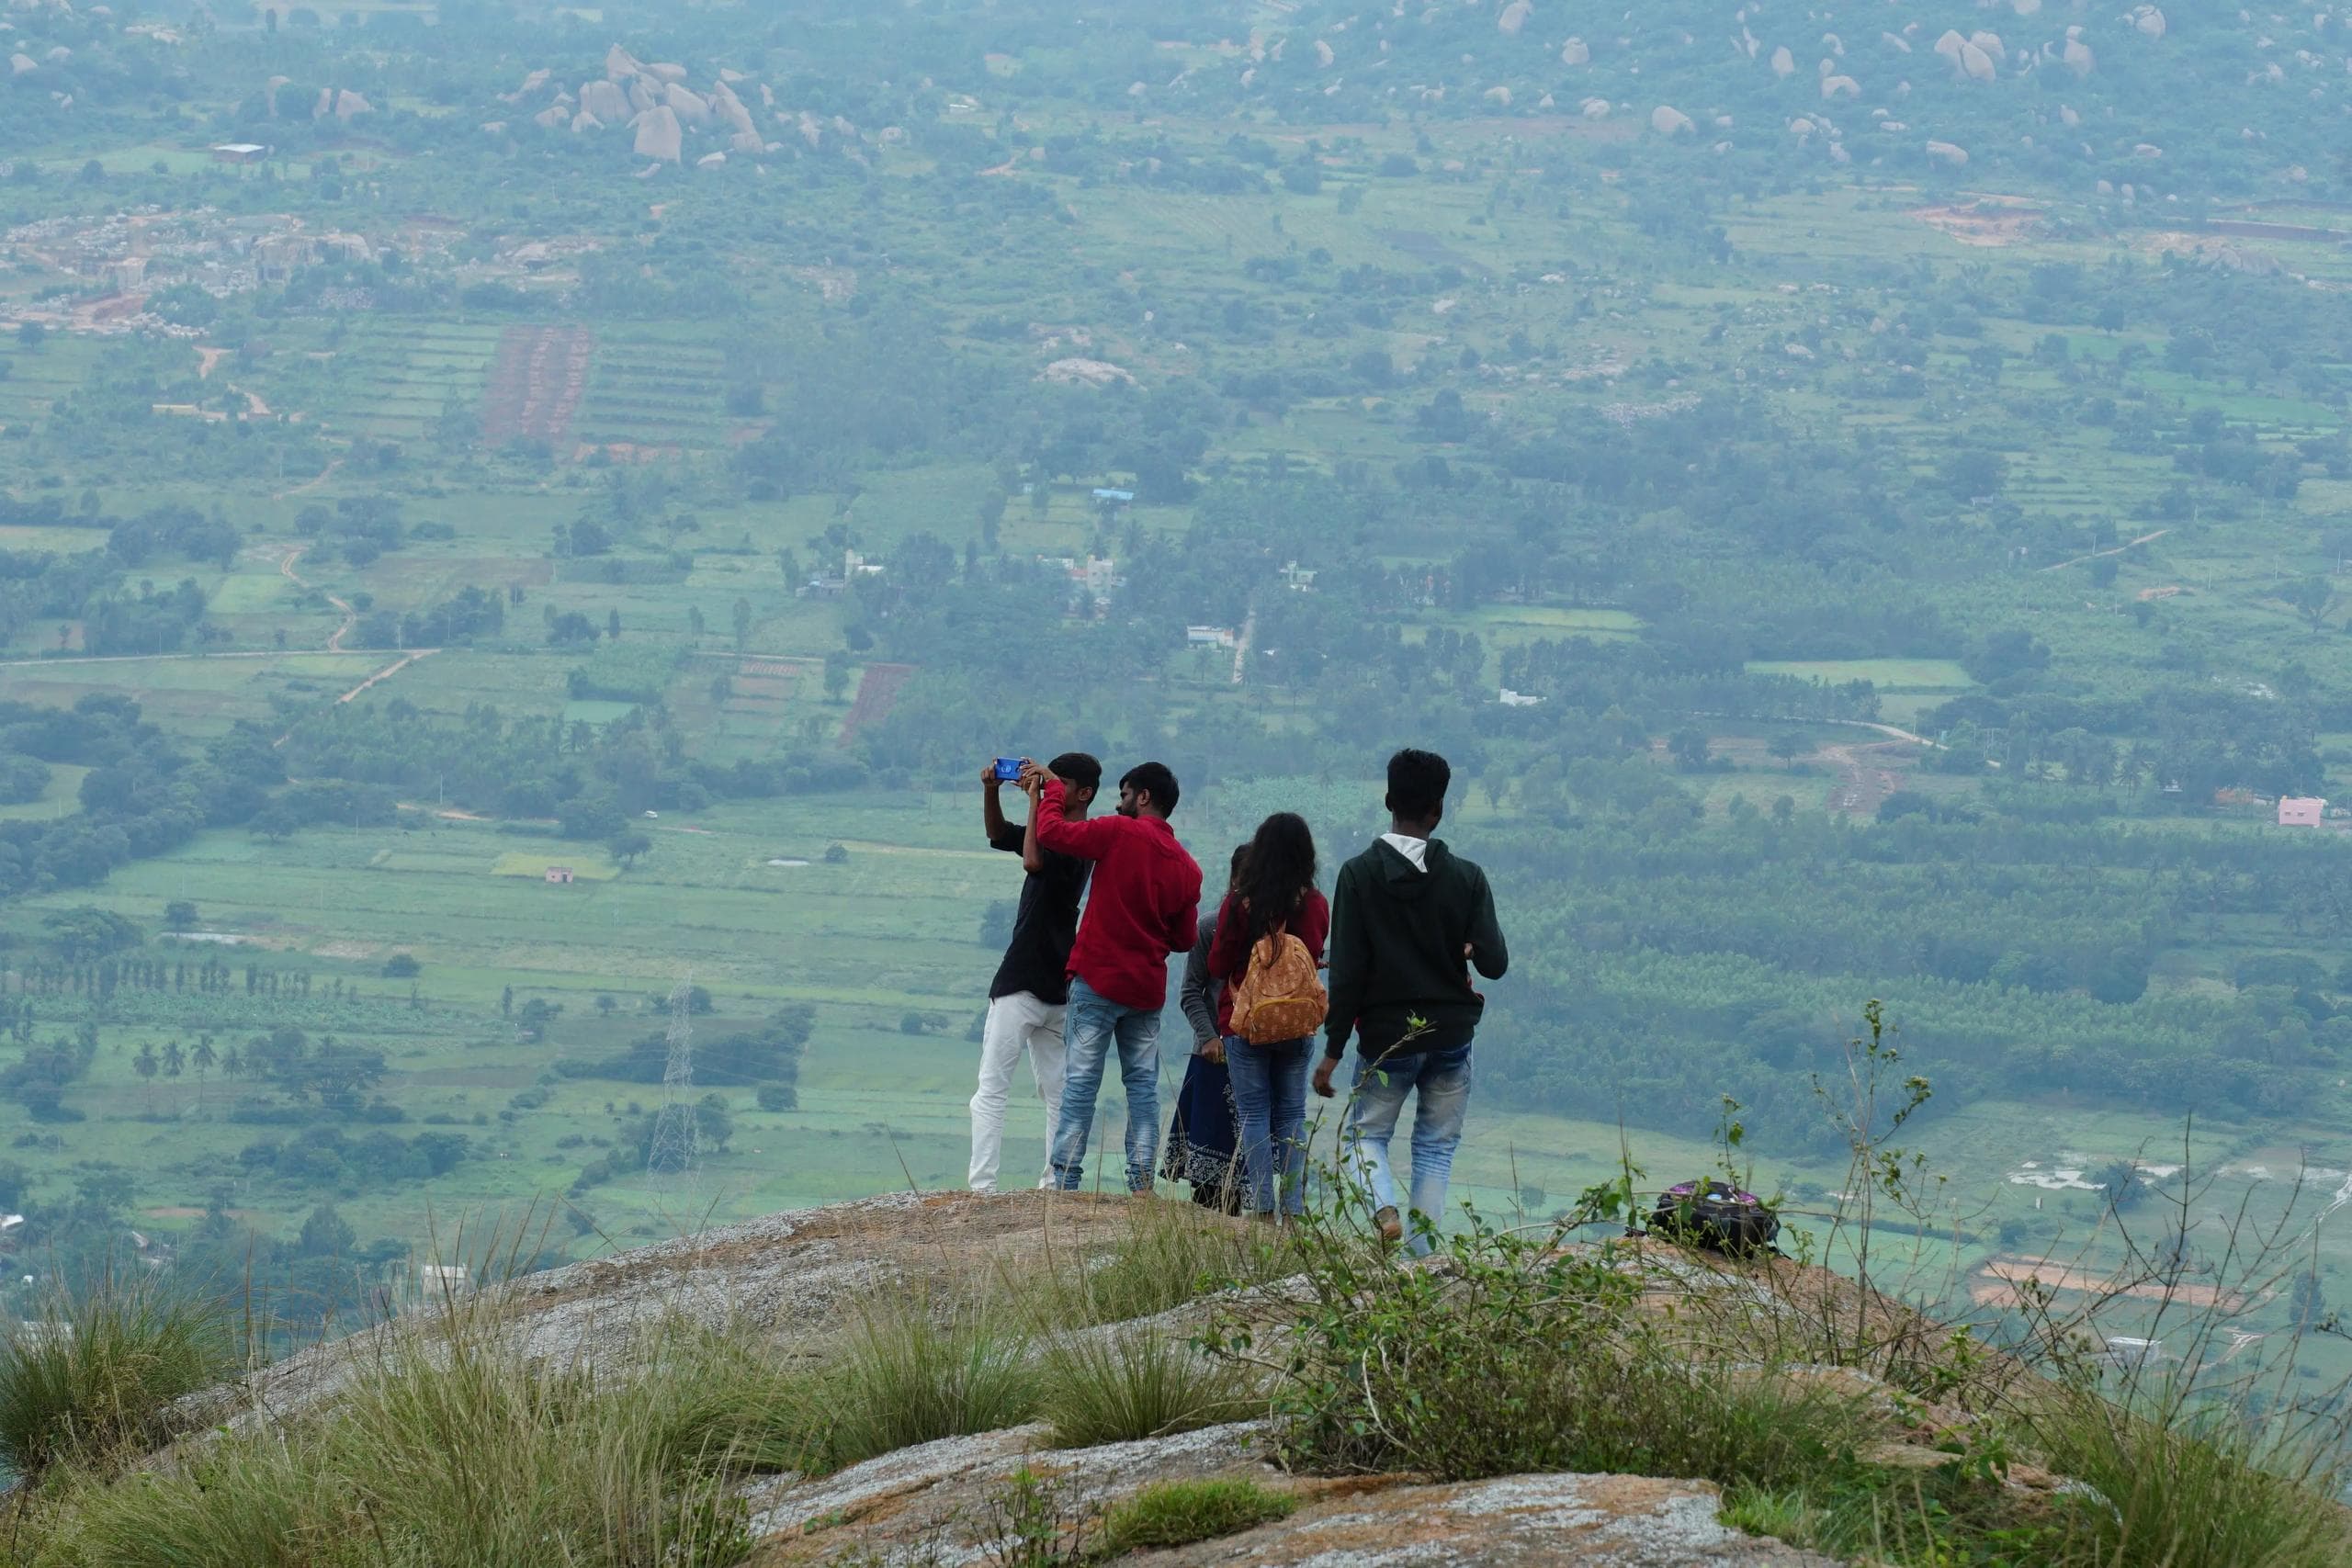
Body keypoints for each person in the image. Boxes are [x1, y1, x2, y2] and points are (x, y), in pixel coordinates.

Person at [1314, 749, 1507, 1252]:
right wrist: (1468, 942)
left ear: (1388, 802)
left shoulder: (1358, 874)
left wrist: (1333, 1051)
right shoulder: (1467, 877)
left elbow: (1349, 971)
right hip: (1451, 1036)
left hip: (1386, 1038)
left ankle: (1383, 1207)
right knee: (1436, 1149)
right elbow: (1495, 963)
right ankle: (1421, 1261)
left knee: (1365, 1137)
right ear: (1437, 811)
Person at [1023, 759, 1202, 1194]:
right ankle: (1141, 1184)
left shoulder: (1118, 832)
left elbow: (1051, 834)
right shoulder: (1188, 868)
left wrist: (1052, 792)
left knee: (1081, 1081)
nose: (1119, 803)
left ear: (1143, 796)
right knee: (1142, 1087)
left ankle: (1065, 1180)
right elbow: (1183, 939)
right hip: (1145, 990)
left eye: (1124, 795)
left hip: (1098, 978)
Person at [968, 754, 1099, 1192]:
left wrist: (1037, 800)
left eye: (1061, 785)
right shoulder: (1059, 832)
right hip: (1042, 979)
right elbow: (998, 834)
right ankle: (1001, 1184)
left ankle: (1040, 1183)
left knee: (1025, 1088)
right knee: (1025, 1087)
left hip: (1037, 979)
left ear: (1084, 794)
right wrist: (991, 791)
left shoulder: (1079, 839)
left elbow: (1032, 861)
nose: (1051, 790)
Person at [1208, 813, 1328, 1222]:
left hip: (1245, 1022)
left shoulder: (1240, 902)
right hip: (1296, 1024)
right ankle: (1293, 1211)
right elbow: (1311, 956)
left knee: (1254, 1115)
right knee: (1293, 1114)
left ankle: (1262, 1208)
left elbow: (1217, 961)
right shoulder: (1314, 903)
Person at [1162, 846, 1251, 1212]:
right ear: (1235, 880)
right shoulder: (1210, 927)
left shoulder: (1277, 932)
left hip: (1255, 1059)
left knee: (1247, 1164)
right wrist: (1208, 1037)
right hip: (1213, 1057)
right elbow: (1190, 992)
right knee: (1207, 1179)